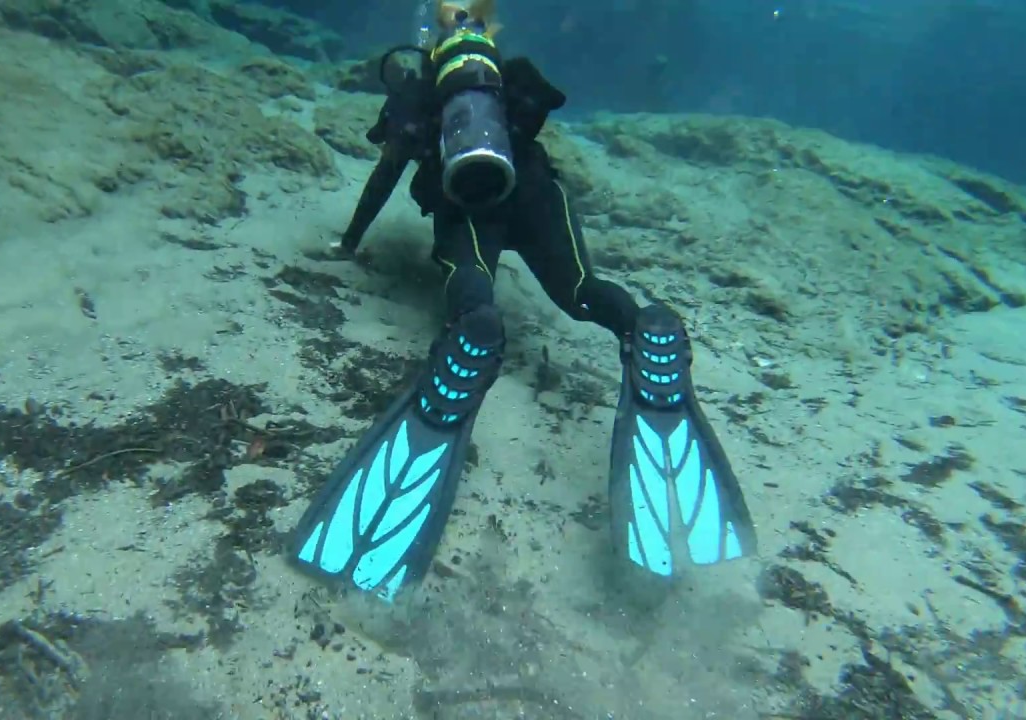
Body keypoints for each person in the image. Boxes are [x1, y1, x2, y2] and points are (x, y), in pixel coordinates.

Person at [290, 0, 757, 602]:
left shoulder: (421, 89)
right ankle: (639, 328)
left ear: (429, 37)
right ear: (487, 29)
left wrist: (351, 240)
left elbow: (386, 173)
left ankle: (474, 328)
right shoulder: (503, 81)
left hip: (467, 200)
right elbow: (548, 106)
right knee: (583, 290)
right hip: (534, 191)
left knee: (472, 278)